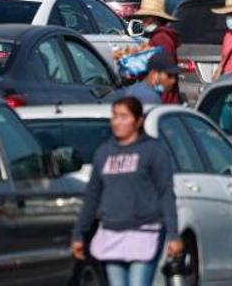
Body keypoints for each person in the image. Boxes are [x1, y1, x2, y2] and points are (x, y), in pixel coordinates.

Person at [71, 97, 183, 286]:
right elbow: (92, 195)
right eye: (115, 116)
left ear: (138, 121)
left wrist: (173, 234)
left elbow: (165, 193)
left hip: (145, 230)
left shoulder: (153, 151)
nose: (117, 122)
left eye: (124, 117)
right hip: (112, 231)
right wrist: (79, 233)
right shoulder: (104, 153)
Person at [130, 0, 180, 64]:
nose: (143, 22)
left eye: (147, 18)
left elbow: (163, 63)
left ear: (157, 19)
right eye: (142, 18)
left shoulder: (161, 37)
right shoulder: (157, 35)